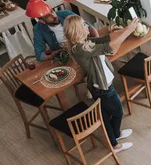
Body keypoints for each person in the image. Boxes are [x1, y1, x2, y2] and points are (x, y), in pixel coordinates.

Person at [64, 15, 140, 153]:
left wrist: (124, 30)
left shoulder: (85, 43)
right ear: (78, 30)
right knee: (118, 112)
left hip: (100, 87)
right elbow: (109, 47)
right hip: (103, 88)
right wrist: (128, 31)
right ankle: (114, 144)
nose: (87, 25)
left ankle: (114, 138)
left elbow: (106, 38)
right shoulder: (81, 49)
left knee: (105, 116)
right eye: (84, 25)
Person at [33, 9, 99, 61]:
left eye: (52, 11)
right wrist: (60, 51)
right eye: (48, 16)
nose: (54, 15)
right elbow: (40, 56)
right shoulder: (38, 29)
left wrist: (97, 43)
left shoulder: (65, 14)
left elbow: (90, 28)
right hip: (66, 57)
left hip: (85, 47)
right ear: (42, 21)